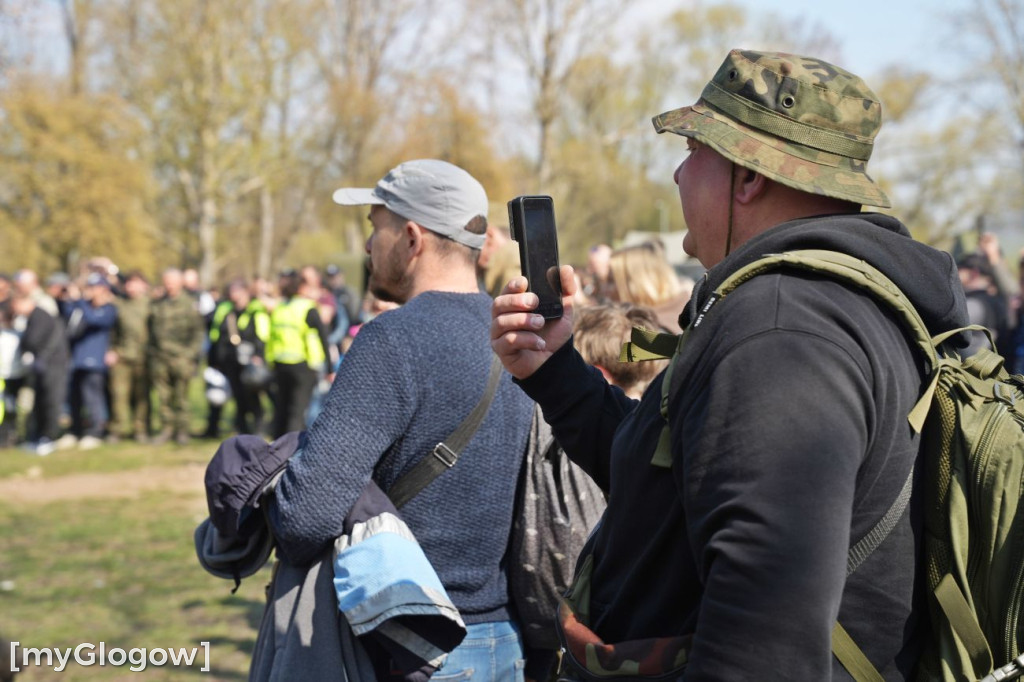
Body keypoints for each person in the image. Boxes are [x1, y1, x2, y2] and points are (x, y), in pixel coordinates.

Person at [491, 49, 971, 680]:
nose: (677, 175)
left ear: (748, 179)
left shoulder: (781, 332)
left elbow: (764, 643)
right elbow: (672, 485)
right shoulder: (814, 309)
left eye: (694, 152)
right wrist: (554, 371)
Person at [267, 159, 535, 681]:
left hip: (413, 648)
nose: (369, 246)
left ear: (411, 238)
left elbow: (302, 520)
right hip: (507, 642)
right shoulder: (521, 336)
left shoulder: (392, 340)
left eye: (374, 226)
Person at [266, 267, 332, 438]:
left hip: (279, 365)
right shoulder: (307, 307)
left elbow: (270, 337)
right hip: (303, 366)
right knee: (296, 411)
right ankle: (287, 454)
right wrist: (330, 367)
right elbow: (323, 337)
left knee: (281, 410)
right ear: (301, 288)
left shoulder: (280, 308)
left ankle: (274, 450)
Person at [59, 272, 118, 450]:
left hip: (95, 362)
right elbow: (66, 313)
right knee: (74, 398)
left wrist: (80, 301)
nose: (91, 291)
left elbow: (94, 320)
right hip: (77, 360)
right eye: (89, 287)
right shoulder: (82, 307)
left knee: (92, 398)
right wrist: (69, 297)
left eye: (94, 288)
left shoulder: (109, 309)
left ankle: (95, 431)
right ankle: (74, 430)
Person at [207, 278, 271, 436]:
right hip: (231, 360)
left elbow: (262, 335)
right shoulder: (225, 310)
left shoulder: (256, 310)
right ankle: (242, 429)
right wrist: (215, 359)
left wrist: (258, 355)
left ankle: (258, 427)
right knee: (238, 397)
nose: (234, 295)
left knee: (253, 395)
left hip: (250, 361)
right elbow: (216, 335)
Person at [148, 268, 205, 445]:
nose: (169, 284)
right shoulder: (158, 304)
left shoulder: (190, 304)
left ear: (180, 283)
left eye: (172, 281)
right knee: (163, 397)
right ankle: (166, 429)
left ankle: (182, 431)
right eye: (166, 281)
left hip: (182, 358)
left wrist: (189, 355)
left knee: (181, 397)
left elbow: (198, 333)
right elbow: (151, 331)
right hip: (161, 359)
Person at [11, 293, 69, 456]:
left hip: (53, 365)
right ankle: (39, 437)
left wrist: (24, 346)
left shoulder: (39, 316)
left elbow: (32, 340)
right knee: (41, 402)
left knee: (51, 401)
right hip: (43, 366)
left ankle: (49, 438)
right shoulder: (34, 316)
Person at [606, 241, 691, 333]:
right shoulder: (691, 314)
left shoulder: (650, 335)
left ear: (636, 284)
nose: (605, 289)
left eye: (611, 281)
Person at [107, 271, 152, 443]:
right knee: (119, 395)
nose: (131, 287)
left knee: (142, 397)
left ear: (144, 285)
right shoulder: (118, 305)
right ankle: (116, 429)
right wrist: (111, 350)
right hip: (122, 356)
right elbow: (111, 331)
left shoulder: (151, 305)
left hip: (144, 357)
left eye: (135, 283)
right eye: (128, 283)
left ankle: (140, 429)